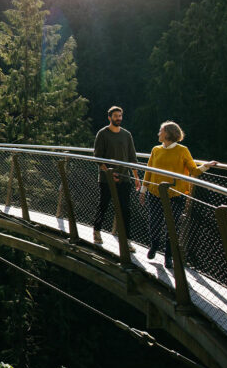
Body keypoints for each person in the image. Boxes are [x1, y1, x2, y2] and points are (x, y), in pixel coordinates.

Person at [141, 121, 217, 268]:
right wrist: (143, 190)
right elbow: (148, 171)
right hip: (155, 193)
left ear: (168, 133)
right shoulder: (155, 150)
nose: (158, 134)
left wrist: (206, 166)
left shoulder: (182, 150)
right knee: (154, 223)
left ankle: (168, 256)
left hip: (176, 195)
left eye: (160, 131)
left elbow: (193, 171)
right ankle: (155, 245)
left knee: (172, 227)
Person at [93, 106, 141, 248]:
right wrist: (108, 172)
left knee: (125, 209)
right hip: (106, 178)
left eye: (120, 115)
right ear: (110, 117)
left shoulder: (127, 135)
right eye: (115, 116)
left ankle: (126, 240)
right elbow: (97, 157)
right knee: (104, 205)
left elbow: (132, 157)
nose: (118, 118)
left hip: (124, 178)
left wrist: (136, 177)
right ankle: (96, 231)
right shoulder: (103, 134)